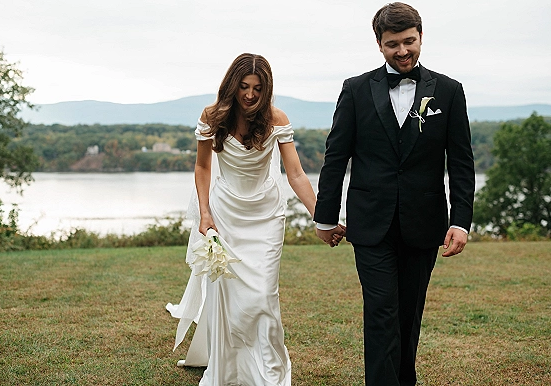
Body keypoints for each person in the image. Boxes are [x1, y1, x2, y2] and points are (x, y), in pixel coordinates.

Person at [313, 3, 475, 385]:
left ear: (420, 36)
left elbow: (462, 163)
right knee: (382, 313)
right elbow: (336, 157)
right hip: (371, 224)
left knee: (408, 316)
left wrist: (460, 221)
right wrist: (324, 216)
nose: (402, 51)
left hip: (425, 222)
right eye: (392, 45)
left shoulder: (449, 91)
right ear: (379, 45)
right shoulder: (355, 90)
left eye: (409, 42)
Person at [167, 53, 338, 386]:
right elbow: (203, 168)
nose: (249, 95)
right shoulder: (212, 116)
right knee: (230, 298)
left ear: (266, 90)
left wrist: (323, 218)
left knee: (262, 295)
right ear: (232, 86)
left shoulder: (276, 119)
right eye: (244, 86)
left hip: (266, 215)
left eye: (257, 89)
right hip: (226, 213)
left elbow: (297, 174)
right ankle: (231, 371)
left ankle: (269, 373)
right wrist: (205, 215)